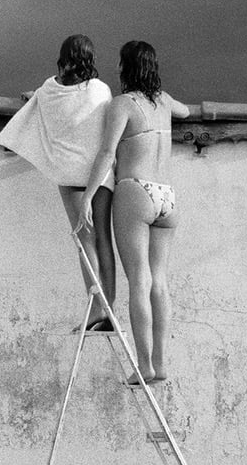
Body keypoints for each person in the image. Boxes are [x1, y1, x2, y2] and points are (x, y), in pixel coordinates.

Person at [77, 41, 190, 386]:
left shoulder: (122, 105)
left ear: (126, 69)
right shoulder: (166, 102)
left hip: (135, 191)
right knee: (160, 281)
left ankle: (144, 366)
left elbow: (106, 154)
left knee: (138, 281)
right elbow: (185, 111)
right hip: (167, 197)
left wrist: (89, 196)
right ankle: (161, 361)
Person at [0, 35, 116, 330]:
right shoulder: (101, 90)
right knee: (103, 240)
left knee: (84, 243)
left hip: (71, 176)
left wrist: (31, 96)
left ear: (63, 57)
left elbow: (35, 111)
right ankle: (108, 309)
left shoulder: (48, 90)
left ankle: (95, 310)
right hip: (101, 175)